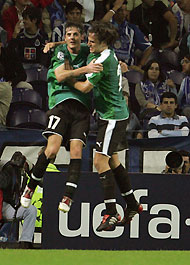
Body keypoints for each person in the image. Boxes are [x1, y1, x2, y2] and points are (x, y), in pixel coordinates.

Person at [20, 21, 103, 213]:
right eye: (69, 35)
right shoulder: (61, 53)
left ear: (81, 37)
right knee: (52, 150)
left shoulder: (85, 49)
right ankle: (30, 187)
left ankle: (68, 197)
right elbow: (59, 76)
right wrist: (84, 70)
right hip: (61, 105)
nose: (72, 38)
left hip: (82, 109)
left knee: (76, 152)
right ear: (64, 38)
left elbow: (102, 48)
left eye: (76, 34)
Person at [71, 21, 143, 231]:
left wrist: (65, 79)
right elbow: (75, 46)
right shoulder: (104, 54)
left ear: (102, 42)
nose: (88, 44)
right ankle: (132, 204)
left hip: (112, 117)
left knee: (99, 160)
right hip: (112, 114)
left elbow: (84, 88)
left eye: (92, 41)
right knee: (112, 161)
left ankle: (111, 212)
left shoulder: (103, 60)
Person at [101, 0, 152, 72]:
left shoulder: (132, 29)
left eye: (125, 10)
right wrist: (115, 8)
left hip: (128, 69)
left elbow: (149, 48)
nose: (123, 13)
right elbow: (100, 26)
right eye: (120, 10)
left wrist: (139, 66)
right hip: (108, 67)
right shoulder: (108, 26)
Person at [0, 151, 37, 249]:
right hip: (3, 204)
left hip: (10, 207)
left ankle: (25, 242)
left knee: (31, 210)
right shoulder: (7, 168)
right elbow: (3, 184)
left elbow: (40, 179)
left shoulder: (23, 175)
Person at [135, 59, 177, 131]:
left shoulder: (165, 84)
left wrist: (173, 87)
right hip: (147, 112)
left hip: (166, 110)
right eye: (151, 69)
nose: (154, 71)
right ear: (147, 71)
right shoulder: (140, 85)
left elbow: (174, 99)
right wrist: (156, 107)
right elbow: (142, 102)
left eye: (157, 69)